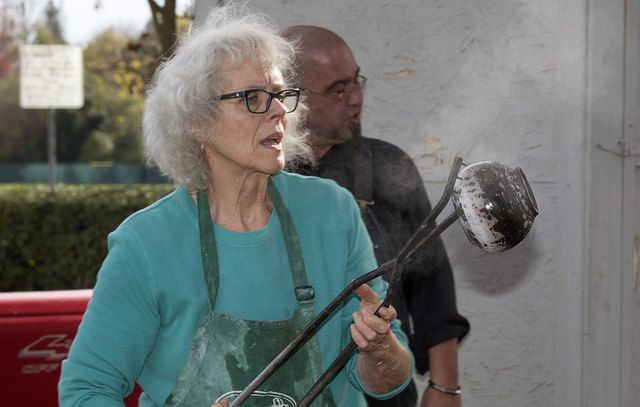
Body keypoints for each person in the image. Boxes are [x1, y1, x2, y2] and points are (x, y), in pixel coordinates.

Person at [58, 6, 414, 407]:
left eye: (280, 95)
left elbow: (388, 380)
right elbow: (85, 391)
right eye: (254, 98)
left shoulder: (332, 213)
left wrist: (379, 348)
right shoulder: (147, 244)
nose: (279, 110)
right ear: (196, 121)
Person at [282, 26, 471, 407]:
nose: (355, 98)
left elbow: (432, 282)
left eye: (357, 82)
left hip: (387, 388)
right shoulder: (265, 177)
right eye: (339, 89)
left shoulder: (389, 166)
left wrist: (445, 386)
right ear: (292, 98)